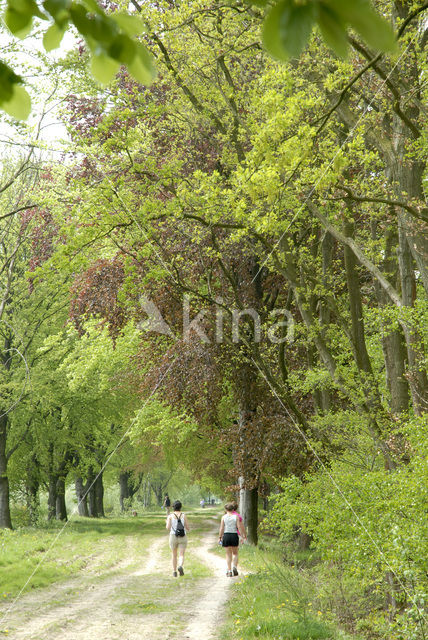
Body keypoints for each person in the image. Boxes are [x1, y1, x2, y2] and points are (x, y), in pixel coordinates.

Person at [218, 501, 247, 577]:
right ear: (233, 509)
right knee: (235, 553)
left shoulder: (223, 517)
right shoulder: (236, 517)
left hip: (226, 535)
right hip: (234, 535)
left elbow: (221, 528)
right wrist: (242, 536)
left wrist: (220, 537)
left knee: (228, 554)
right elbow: (239, 527)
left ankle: (229, 570)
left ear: (226, 509)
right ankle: (234, 566)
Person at [166, 500, 189, 577]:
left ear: (173, 507)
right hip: (183, 536)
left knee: (174, 554)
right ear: (180, 507)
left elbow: (168, 528)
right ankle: (180, 566)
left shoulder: (170, 516)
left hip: (173, 536)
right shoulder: (183, 515)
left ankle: (174, 571)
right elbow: (187, 527)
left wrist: (167, 522)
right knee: (181, 554)